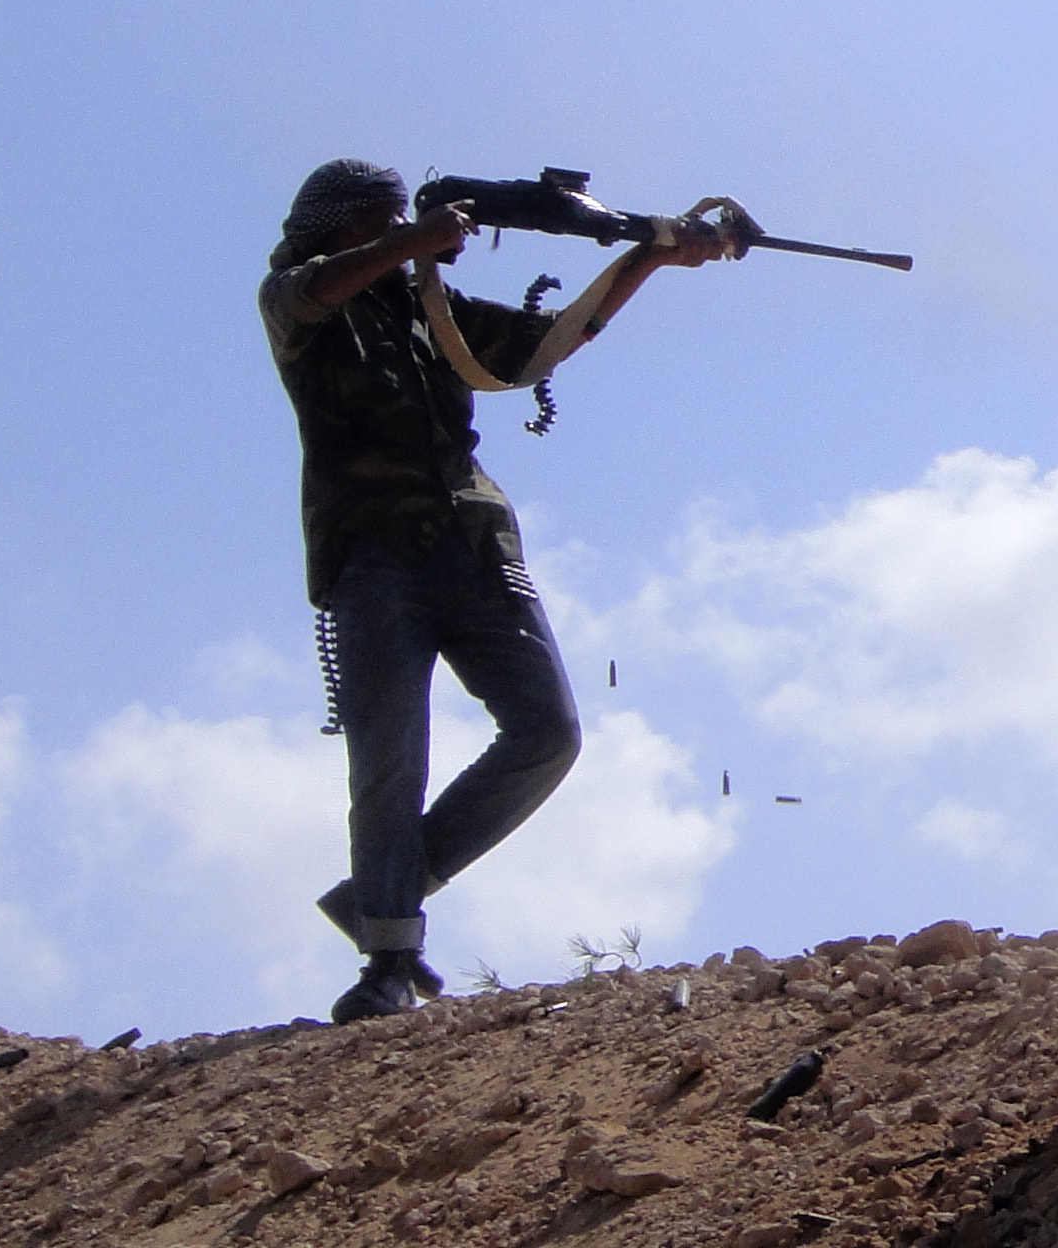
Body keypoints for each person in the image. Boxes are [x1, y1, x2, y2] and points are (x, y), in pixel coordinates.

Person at [260, 158, 733, 1022]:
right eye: (383, 222)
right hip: (371, 555)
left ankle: (384, 888)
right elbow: (312, 291)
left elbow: (548, 343)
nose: (402, 241)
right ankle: (388, 960)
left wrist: (651, 256)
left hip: (473, 545)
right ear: (343, 224)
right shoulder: (297, 298)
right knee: (389, 761)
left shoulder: (426, 310)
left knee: (548, 733)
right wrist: (422, 238)